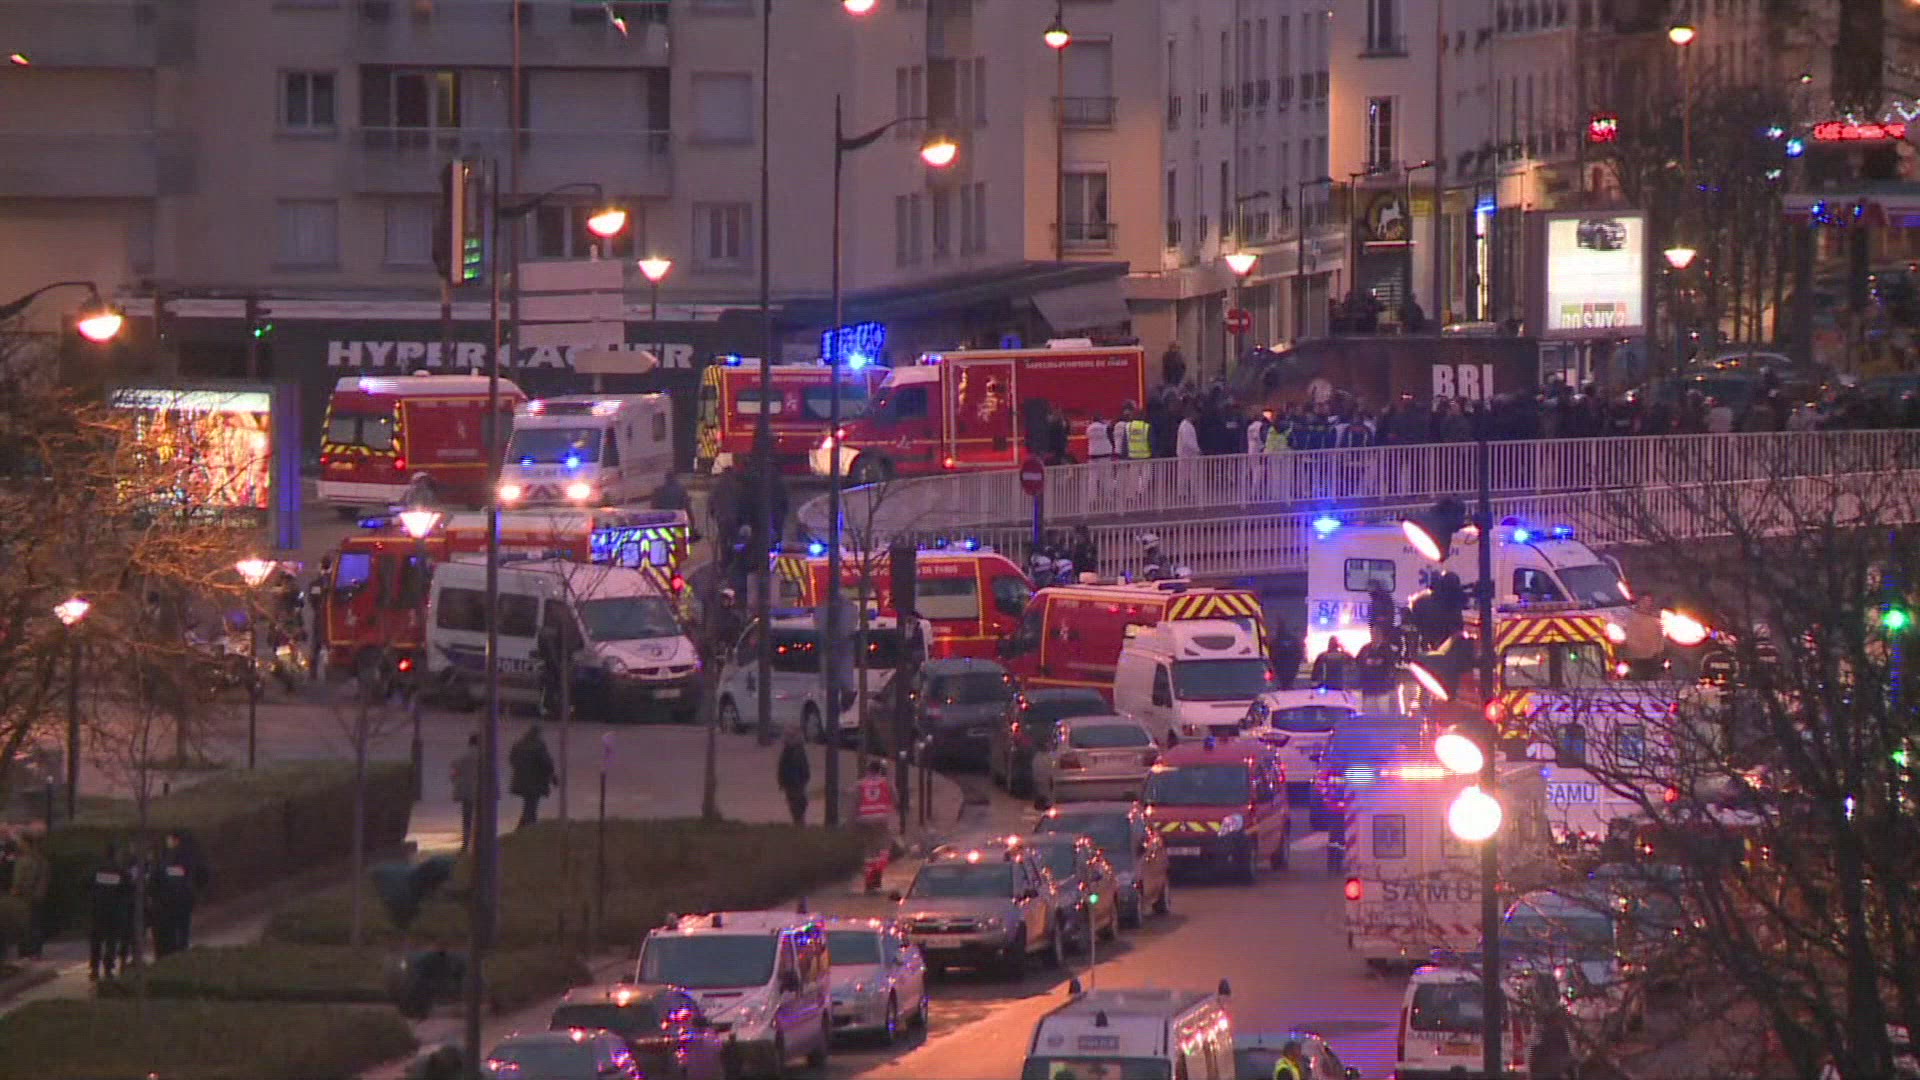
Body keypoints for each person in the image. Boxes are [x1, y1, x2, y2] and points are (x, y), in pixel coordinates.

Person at [147, 831, 205, 959]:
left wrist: (154, 897)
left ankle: (172, 954)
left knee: (170, 931)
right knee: (182, 929)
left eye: (170, 840)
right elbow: (201, 874)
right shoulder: (189, 858)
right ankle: (181, 953)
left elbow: (154, 882)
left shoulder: (164, 861)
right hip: (183, 900)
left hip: (167, 902)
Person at [87, 842, 135, 980]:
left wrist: (93, 897)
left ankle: (94, 969)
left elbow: (85, 884)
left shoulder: (96, 871)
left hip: (98, 909)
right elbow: (129, 889)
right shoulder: (121, 872)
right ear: (116, 855)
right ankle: (108, 969)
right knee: (111, 941)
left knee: (96, 940)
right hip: (114, 911)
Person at [508, 724, 557, 830]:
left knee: (529, 803)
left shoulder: (518, 744)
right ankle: (526, 826)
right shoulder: (538, 746)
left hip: (521, 780)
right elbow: (546, 763)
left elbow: (512, 760)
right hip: (535, 781)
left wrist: (521, 770)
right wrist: (553, 777)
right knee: (532, 804)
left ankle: (526, 826)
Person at [10, 830, 48, 958]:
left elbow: (24, 879)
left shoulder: (26, 860)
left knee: (26, 925)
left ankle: (27, 951)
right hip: (36, 896)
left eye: (21, 841)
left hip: (25, 896)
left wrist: (17, 890)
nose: (19, 844)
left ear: (26, 843)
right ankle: (35, 951)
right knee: (35, 924)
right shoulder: (41, 859)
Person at [450, 735, 480, 852]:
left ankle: (466, 842)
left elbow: (454, 773)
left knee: (467, 817)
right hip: (481, 790)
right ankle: (478, 842)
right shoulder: (485, 756)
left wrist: (457, 782)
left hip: (466, 790)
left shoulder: (461, 756)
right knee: (481, 817)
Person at [777, 726, 810, 825]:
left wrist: (783, 781)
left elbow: (788, 767)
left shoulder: (793, 751)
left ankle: (799, 822)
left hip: (794, 783)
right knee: (796, 803)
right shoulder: (793, 750)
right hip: (795, 782)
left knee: (796, 804)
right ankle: (799, 822)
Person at [1269, 620, 1304, 691]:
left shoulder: (1276, 640)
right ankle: (1287, 685)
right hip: (1289, 662)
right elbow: (1299, 651)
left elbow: (1272, 652)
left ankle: (1285, 685)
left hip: (1282, 663)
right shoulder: (1292, 639)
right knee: (1288, 675)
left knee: (1284, 676)